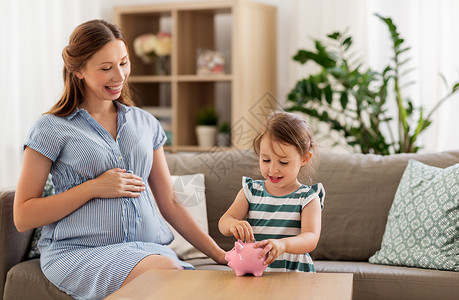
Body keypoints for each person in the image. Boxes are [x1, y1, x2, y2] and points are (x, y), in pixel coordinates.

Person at [13, 19, 226, 299]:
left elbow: (170, 202)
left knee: (171, 273)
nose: (119, 76)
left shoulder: (145, 123)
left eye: (123, 63)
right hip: (79, 252)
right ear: (78, 70)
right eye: (105, 68)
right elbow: (23, 215)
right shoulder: (51, 128)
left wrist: (220, 255)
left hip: (146, 250)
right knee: (164, 272)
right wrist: (93, 188)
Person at [218, 111, 325, 272]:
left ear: (305, 158)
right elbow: (224, 222)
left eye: (283, 162)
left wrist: (283, 244)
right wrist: (233, 224)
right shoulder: (251, 191)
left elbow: (310, 238)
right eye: (266, 160)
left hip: (295, 275)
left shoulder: (308, 198)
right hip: (256, 273)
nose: (273, 169)